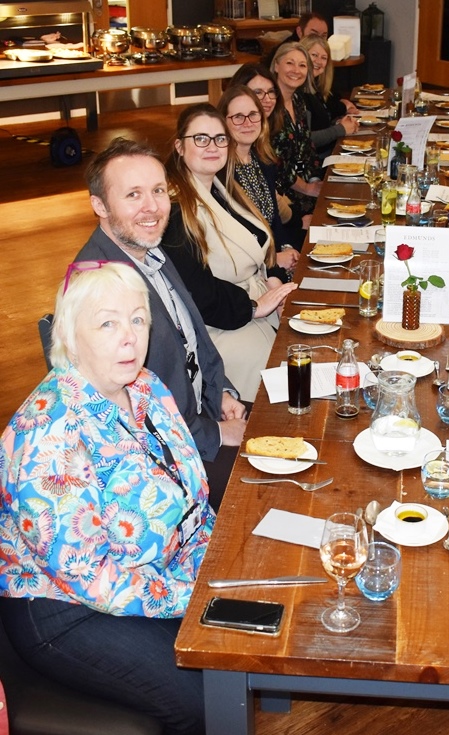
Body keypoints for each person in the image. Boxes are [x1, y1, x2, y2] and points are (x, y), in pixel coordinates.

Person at [0, 262, 214, 735]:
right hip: (65, 608)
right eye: (107, 323)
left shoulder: (146, 389)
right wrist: (191, 594)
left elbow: (191, 493)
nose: (129, 337)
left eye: (138, 319)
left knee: (238, 632)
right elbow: (89, 577)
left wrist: (214, 560)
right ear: (70, 338)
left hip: (154, 572)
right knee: (199, 698)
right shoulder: (49, 437)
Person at [75, 137, 247, 508]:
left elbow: (193, 339)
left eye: (157, 190)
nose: (152, 207)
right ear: (99, 205)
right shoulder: (100, 289)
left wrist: (223, 394)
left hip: (196, 416)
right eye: (133, 195)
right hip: (163, 462)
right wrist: (215, 434)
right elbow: (139, 415)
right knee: (269, 482)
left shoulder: (147, 250)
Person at [162, 104, 296, 402]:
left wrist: (272, 285)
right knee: (285, 394)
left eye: (220, 139)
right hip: (220, 327)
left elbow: (262, 242)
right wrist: (252, 307)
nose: (213, 147)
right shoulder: (176, 209)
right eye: (201, 138)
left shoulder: (221, 188)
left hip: (254, 306)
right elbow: (195, 292)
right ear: (179, 146)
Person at [217, 83, 300, 276]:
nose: (247, 123)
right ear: (223, 122)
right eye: (238, 117)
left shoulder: (263, 161)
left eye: (253, 115)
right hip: (252, 273)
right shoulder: (221, 172)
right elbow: (232, 243)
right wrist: (274, 260)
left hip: (275, 260)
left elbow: (274, 221)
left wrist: (286, 247)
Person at [270, 41, 323, 248]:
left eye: (302, 65)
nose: (296, 70)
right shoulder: (269, 107)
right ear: (276, 66)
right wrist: (307, 188)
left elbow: (305, 148)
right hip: (282, 202)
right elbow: (276, 163)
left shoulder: (298, 100)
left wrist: (314, 178)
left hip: (300, 190)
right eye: (290, 63)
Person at [299, 34, 359, 159]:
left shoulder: (317, 89)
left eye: (324, 58)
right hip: (317, 162)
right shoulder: (298, 93)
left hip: (327, 154)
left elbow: (322, 123)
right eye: (314, 55)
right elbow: (306, 139)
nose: (318, 61)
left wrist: (339, 123)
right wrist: (340, 129)